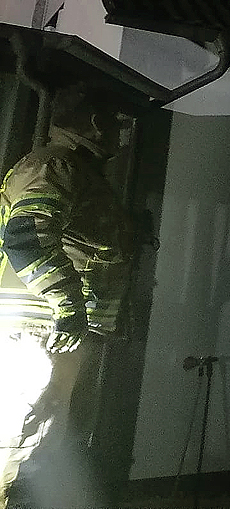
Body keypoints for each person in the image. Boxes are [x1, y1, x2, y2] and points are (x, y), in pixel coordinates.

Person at [0, 84, 137, 509]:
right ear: (96, 122)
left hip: (53, 333)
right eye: (116, 123)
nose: (121, 134)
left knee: (32, 446)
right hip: (39, 331)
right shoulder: (56, 165)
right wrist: (69, 308)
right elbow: (27, 238)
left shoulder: (69, 168)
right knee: (15, 443)